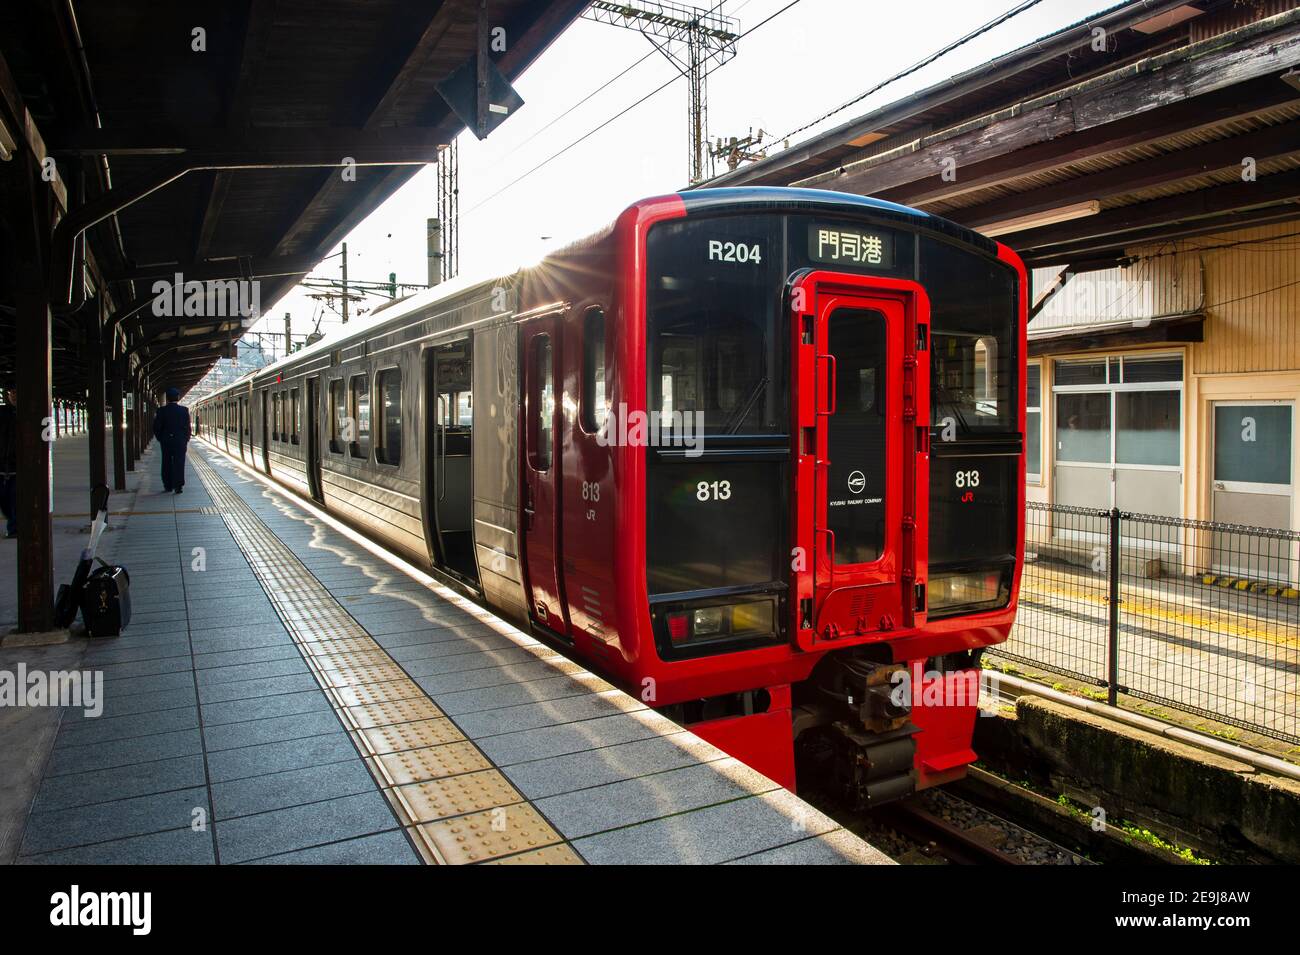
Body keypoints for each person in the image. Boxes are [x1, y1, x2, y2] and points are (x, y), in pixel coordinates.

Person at [152, 386, 191, 494]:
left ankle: (168, 485)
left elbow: (156, 427)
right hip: (180, 442)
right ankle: (178, 486)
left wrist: (161, 438)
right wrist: (186, 439)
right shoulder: (184, 410)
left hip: (166, 441)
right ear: (178, 397)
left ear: (167, 398)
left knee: (166, 462)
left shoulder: (161, 411)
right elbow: (187, 427)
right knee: (179, 463)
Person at [0, 387, 16, 537]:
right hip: (2, 464)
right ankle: (13, 521)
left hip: (18, 466)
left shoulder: (31, 412)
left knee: (14, 497)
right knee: (3, 498)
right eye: (12, 393)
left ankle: (14, 528)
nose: (13, 396)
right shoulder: (3, 413)